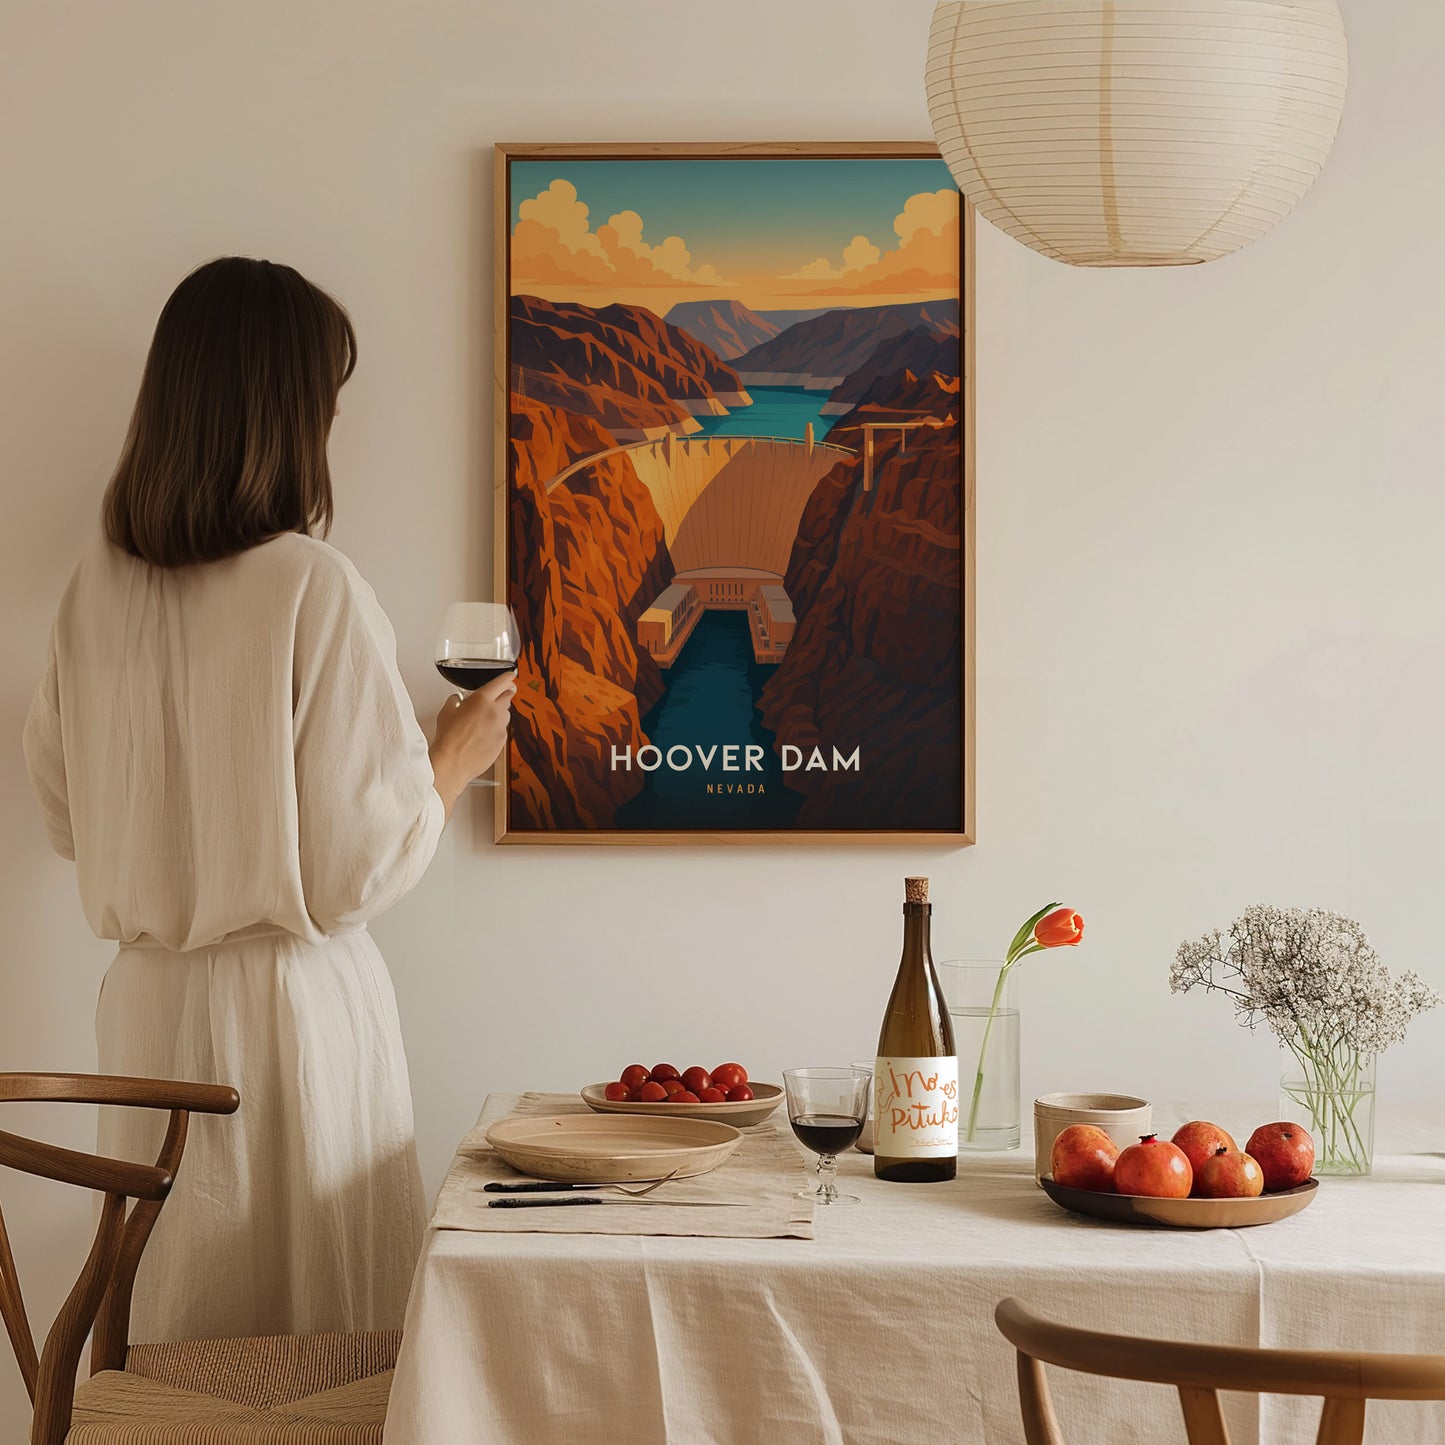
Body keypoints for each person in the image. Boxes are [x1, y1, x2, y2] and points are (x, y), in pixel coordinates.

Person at [21, 256, 513, 1341]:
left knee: (176, 1327)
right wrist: (449, 759)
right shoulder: (310, 583)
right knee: (313, 1343)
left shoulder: (92, 591)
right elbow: (351, 872)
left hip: (146, 1010)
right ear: (287, 413)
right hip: (289, 1020)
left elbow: (64, 818)